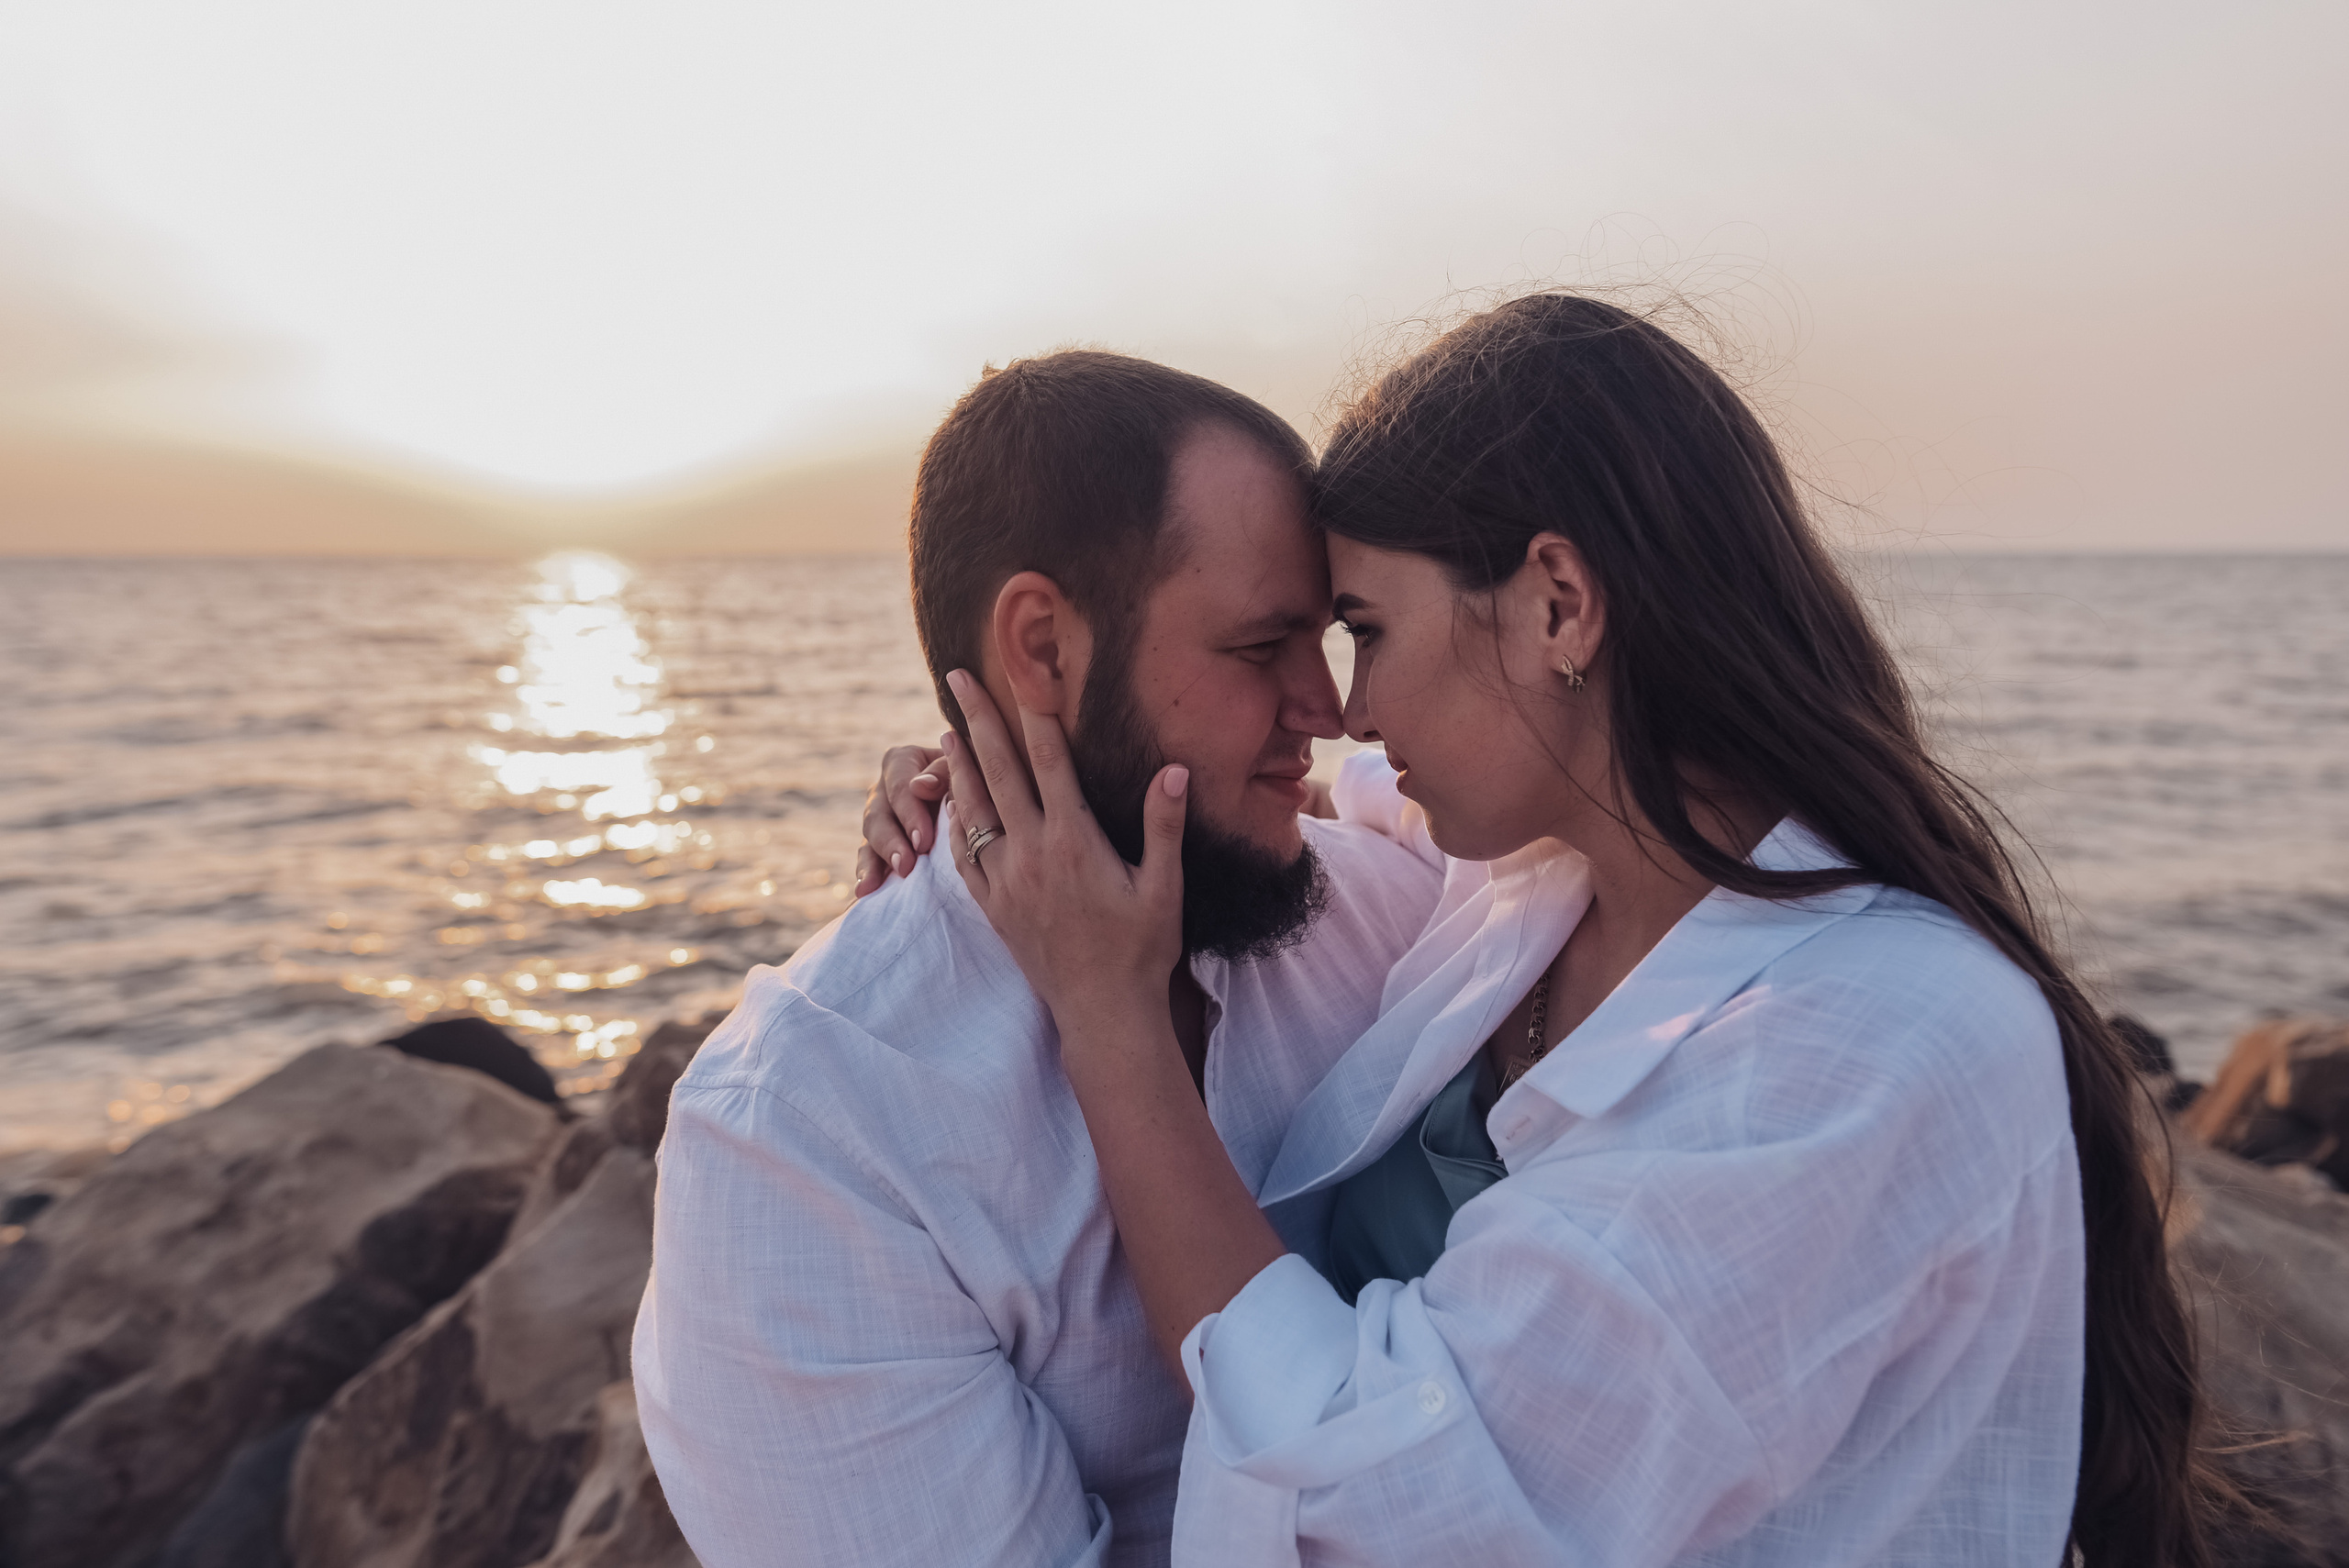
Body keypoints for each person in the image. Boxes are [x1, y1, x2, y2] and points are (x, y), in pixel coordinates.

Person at [918, 296, 2210, 1565]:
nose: (1348, 711)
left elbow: (1376, 1505)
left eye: (1367, 632)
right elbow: (1294, 802)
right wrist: (1007, 771)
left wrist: (1108, 1019)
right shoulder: (1537, 870)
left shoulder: (1869, 1039)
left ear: (1557, 605)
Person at [631, 350, 1443, 1568]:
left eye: (1326, 637)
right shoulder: (808, 1141)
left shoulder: (1406, 914)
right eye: (1259, 646)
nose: (1327, 710)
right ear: (1043, 650)